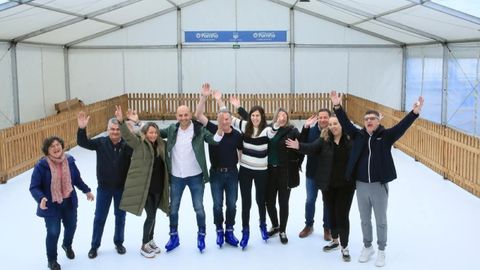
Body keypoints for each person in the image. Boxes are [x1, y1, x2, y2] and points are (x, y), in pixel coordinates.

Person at [330, 91, 424, 267]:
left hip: (379, 186)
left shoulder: (386, 136)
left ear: (378, 121)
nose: (369, 121)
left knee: (380, 220)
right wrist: (337, 106)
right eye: (366, 119)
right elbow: (345, 122)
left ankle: (381, 250)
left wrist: (414, 113)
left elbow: (401, 127)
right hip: (361, 185)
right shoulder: (358, 135)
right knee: (364, 219)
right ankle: (368, 247)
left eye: (372, 118)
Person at [286, 114, 354, 262]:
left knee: (342, 215)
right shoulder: (324, 140)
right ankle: (335, 240)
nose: (332, 127)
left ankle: (345, 246)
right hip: (328, 185)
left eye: (335, 124)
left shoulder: (350, 140)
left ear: (342, 124)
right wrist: (299, 146)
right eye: (330, 124)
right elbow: (311, 148)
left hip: (345, 186)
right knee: (331, 213)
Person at [161, 104, 224, 253]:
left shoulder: (199, 130)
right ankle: (174, 236)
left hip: (195, 176)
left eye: (186, 115)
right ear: (176, 116)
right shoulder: (171, 130)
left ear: (190, 115)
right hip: (176, 176)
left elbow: (214, 140)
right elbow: (153, 132)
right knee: (174, 208)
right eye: (180, 115)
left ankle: (201, 235)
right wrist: (137, 123)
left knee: (199, 208)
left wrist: (220, 128)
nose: (183, 118)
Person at [30, 136, 94, 270]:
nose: (56, 148)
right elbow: (34, 187)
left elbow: (76, 179)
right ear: (47, 151)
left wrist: (86, 190)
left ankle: (67, 244)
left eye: (57, 145)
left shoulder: (69, 161)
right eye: (52, 146)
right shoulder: (41, 166)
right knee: (53, 232)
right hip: (51, 205)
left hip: (69, 202)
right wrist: (41, 198)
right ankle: (52, 260)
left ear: (62, 146)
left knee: (71, 227)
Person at [114, 105, 170, 258]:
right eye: (150, 132)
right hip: (145, 188)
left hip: (158, 187)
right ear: (145, 133)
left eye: (155, 132)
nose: (153, 135)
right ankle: (144, 244)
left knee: (154, 216)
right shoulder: (139, 144)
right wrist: (121, 122)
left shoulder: (161, 145)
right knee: (150, 215)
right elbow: (127, 135)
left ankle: (151, 240)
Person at [77, 112, 132, 259]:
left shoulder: (127, 145)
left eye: (117, 129)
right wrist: (82, 129)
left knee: (120, 217)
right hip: (104, 189)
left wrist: (134, 127)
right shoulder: (101, 143)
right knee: (100, 218)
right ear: (107, 130)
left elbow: (140, 146)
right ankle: (94, 246)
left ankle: (119, 242)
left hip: (121, 189)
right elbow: (83, 143)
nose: (115, 132)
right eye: (112, 129)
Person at [194, 84, 243, 248]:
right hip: (215, 174)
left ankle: (229, 230)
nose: (224, 120)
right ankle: (219, 230)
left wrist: (243, 169)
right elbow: (198, 114)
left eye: (227, 118)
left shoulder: (237, 135)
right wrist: (204, 97)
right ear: (217, 119)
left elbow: (241, 153)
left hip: (232, 174)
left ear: (231, 120)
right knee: (217, 205)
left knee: (232, 204)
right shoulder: (212, 129)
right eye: (221, 118)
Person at [229, 96, 277, 249]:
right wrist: (228, 104)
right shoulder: (244, 126)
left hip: (262, 172)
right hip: (245, 171)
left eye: (258, 115)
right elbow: (227, 118)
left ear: (262, 117)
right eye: (253, 115)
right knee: (246, 203)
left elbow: (274, 129)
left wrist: (280, 120)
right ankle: (245, 232)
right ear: (250, 117)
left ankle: (263, 225)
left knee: (260, 200)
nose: (255, 118)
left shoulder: (267, 130)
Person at [264, 108, 303, 244]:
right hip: (269, 171)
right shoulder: (269, 129)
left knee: (283, 202)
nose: (282, 117)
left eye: (284, 115)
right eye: (280, 115)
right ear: (275, 117)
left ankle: (283, 230)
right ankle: (275, 225)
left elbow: (303, 141)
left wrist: (307, 128)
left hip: (285, 172)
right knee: (269, 202)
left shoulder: (292, 130)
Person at [298, 109, 332, 241]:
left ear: (329, 118)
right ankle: (309, 225)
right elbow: (301, 145)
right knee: (310, 200)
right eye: (321, 117)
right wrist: (305, 127)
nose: (323, 120)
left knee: (327, 202)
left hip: (327, 175)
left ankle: (327, 228)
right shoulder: (311, 131)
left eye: (325, 117)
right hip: (312, 173)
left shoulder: (333, 131)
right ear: (317, 118)